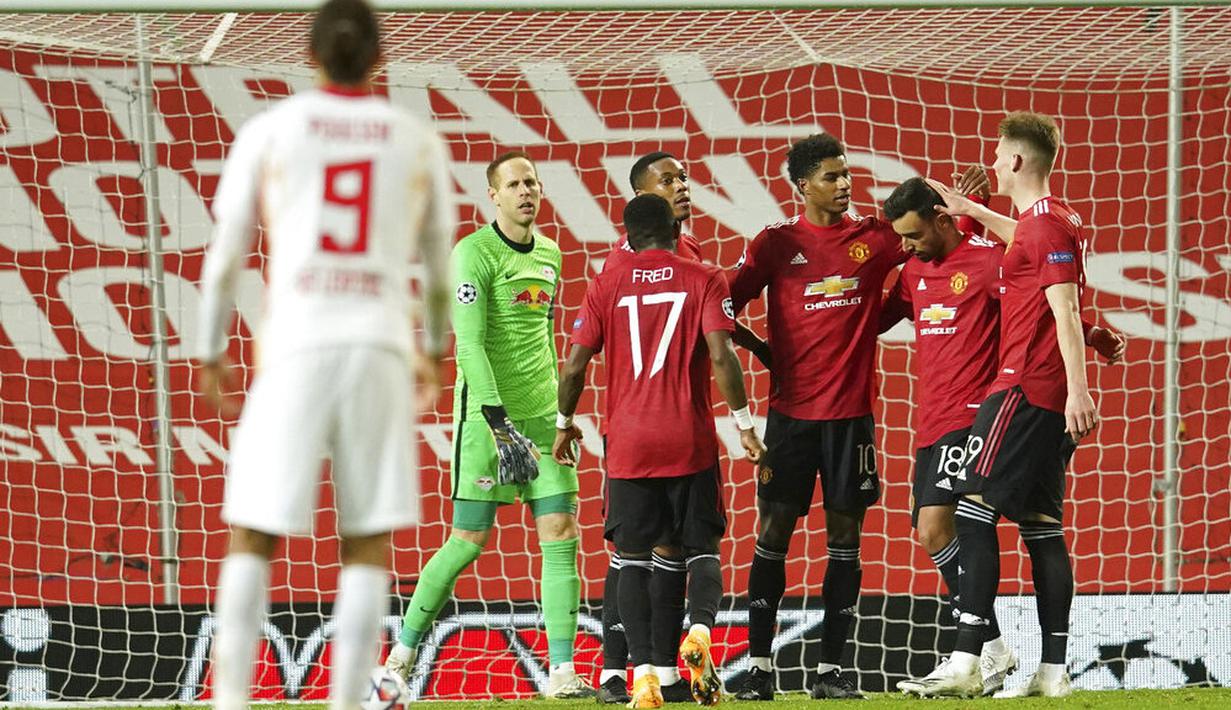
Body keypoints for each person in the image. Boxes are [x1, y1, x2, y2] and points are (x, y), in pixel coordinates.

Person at [195, 2, 453, 709]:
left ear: (307, 54)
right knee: (366, 536)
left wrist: (209, 347)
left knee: (253, 527)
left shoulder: (272, 130)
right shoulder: (415, 139)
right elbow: (436, 266)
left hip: (297, 341)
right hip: (377, 343)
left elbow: (224, 258)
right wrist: (431, 347)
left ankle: (231, 702)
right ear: (379, 58)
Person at [878, 175, 1124, 697]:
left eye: (913, 234)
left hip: (983, 413)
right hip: (933, 418)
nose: (907, 246)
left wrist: (1089, 333)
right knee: (985, 529)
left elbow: (1043, 303)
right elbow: (877, 316)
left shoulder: (991, 260)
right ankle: (1007, 652)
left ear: (941, 220)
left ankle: (979, 650)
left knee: (946, 524)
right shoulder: (911, 272)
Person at [383, 151, 594, 699]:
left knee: (562, 533)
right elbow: (470, 346)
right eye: (514, 184)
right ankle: (402, 656)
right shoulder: (472, 254)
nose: (527, 191)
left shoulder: (550, 254)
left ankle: (563, 672)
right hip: (487, 422)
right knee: (468, 541)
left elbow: (545, 340)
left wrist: (561, 418)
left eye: (532, 182)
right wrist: (498, 421)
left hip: (543, 421)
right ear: (493, 196)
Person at [911, 112, 1099, 698]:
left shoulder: (1042, 227)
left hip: (1023, 388)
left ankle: (969, 659)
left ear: (1016, 161)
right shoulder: (1053, 217)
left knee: (971, 511)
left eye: (997, 153)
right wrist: (974, 213)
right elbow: (1025, 242)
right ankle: (1052, 672)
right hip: (1045, 391)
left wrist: (1079, 388)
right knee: (1042, 527)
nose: (991, 161)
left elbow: (1063, 310)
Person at [554, 193, 766, 708]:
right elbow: (722, 355)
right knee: (690, 552)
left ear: (627, 236)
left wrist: (563, 424)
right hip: (687, 441)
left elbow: (576, 365)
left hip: (627, 442)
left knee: (630, 560)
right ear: (675, 227)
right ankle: (688, 646)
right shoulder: (704, 277)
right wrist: (743, 424)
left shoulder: (606, 283)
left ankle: (649, 674)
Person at [727, 133, 908, 700]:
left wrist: (968, 213)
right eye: (832, 176)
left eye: (846, 173)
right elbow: (722, 305)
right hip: (790, 418)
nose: (845, 183)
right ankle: (759, 666)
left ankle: (831, 671)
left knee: (845, 540)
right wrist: (758, 348)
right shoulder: (775, 245)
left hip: (851, 418)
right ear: (802, 184)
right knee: (773, 534)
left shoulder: (875, 237)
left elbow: (930, 239)